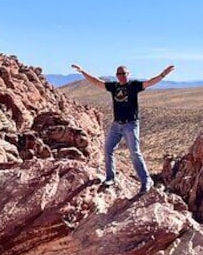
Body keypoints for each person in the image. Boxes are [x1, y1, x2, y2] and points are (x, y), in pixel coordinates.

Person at [70, 63, 175, 194]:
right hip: (116, 125)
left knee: (135, 153)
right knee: (108, 149)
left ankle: (146, 181)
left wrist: (163, 74)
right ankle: (110, 178)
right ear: (116, 75)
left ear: (128, 74)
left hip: (130, 124)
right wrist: (82, 71)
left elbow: (150, 82)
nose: (121, 76)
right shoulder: (114, 87)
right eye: (119, 74)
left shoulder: (134, 86)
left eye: (124, 73)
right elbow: (97, 82)